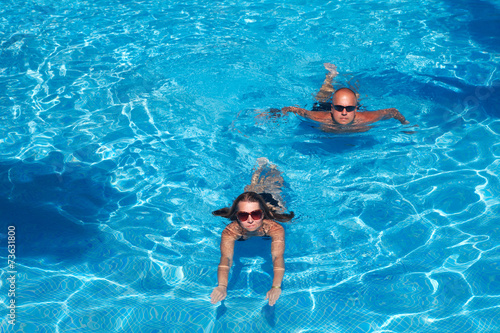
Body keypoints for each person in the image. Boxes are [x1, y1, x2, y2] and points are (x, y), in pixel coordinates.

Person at [210, 158, 294, 306]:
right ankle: (259, 168)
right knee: (251, 190)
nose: (250, 220)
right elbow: (226, 260)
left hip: (273, 203)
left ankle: (271, 166)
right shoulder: (231, 231)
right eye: (243, 215)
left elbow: (277, 257)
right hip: (255, 204)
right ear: (236, 215)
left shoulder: (274, 228)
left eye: (255, 215)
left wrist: (276, 286)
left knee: (274, 183)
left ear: (262, 214)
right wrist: (222, 286)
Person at [279, 63, 410, 133]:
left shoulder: (367, 119)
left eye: (349, 108)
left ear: (355, 109)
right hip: (323, 109)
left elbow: (393, 111)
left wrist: (405, 124)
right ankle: (330, 76)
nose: (344, 112)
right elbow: (292, 109)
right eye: (339, 108)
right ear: (332, 108)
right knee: (321, 99)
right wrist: (279, 115)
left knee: (353, 94)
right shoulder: (318, 117)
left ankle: (351, 85)